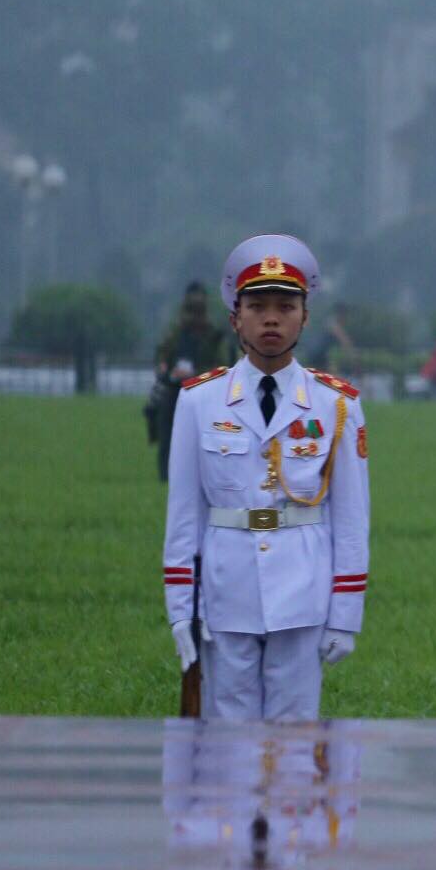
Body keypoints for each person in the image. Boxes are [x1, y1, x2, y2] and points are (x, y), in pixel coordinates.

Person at [161, 235, 370, 720]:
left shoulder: (337, 403)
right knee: (227, 735)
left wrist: (345, 614)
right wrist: (180, 609)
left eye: (285, 305)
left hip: (303, 589)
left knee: (295, 736)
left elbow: (352, 518)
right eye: (257, 306)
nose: (271, 318)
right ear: (235, 318)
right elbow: (184, 514)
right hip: (224, 587)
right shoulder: (199, 401)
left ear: (305, 316)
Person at [148, 282, 235, 481]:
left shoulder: (214, 336)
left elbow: (221, 367)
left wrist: (195, 374)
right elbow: (162, 355)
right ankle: (166, 478)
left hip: (203, 395)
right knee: (167, 438)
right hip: (173, 390)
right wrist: (165, 369)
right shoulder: (176, 333)